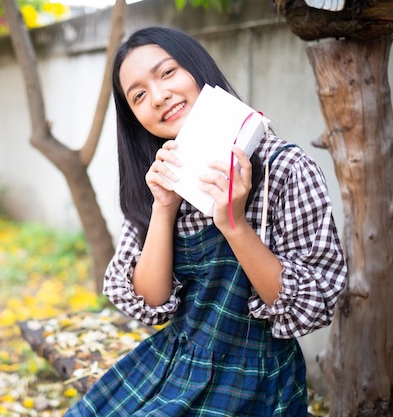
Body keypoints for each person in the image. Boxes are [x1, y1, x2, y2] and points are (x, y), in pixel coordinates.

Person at [64, 26, 347, 416]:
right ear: (134, 118)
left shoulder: (286, 168)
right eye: (140, 95)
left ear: (198, 71)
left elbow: (313, 309)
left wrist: (234, 224)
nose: (159, 96)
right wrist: (163, 207)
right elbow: (150, 302)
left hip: (256, 377)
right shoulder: (156, 178)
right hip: (173, 362)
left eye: (167, 73)